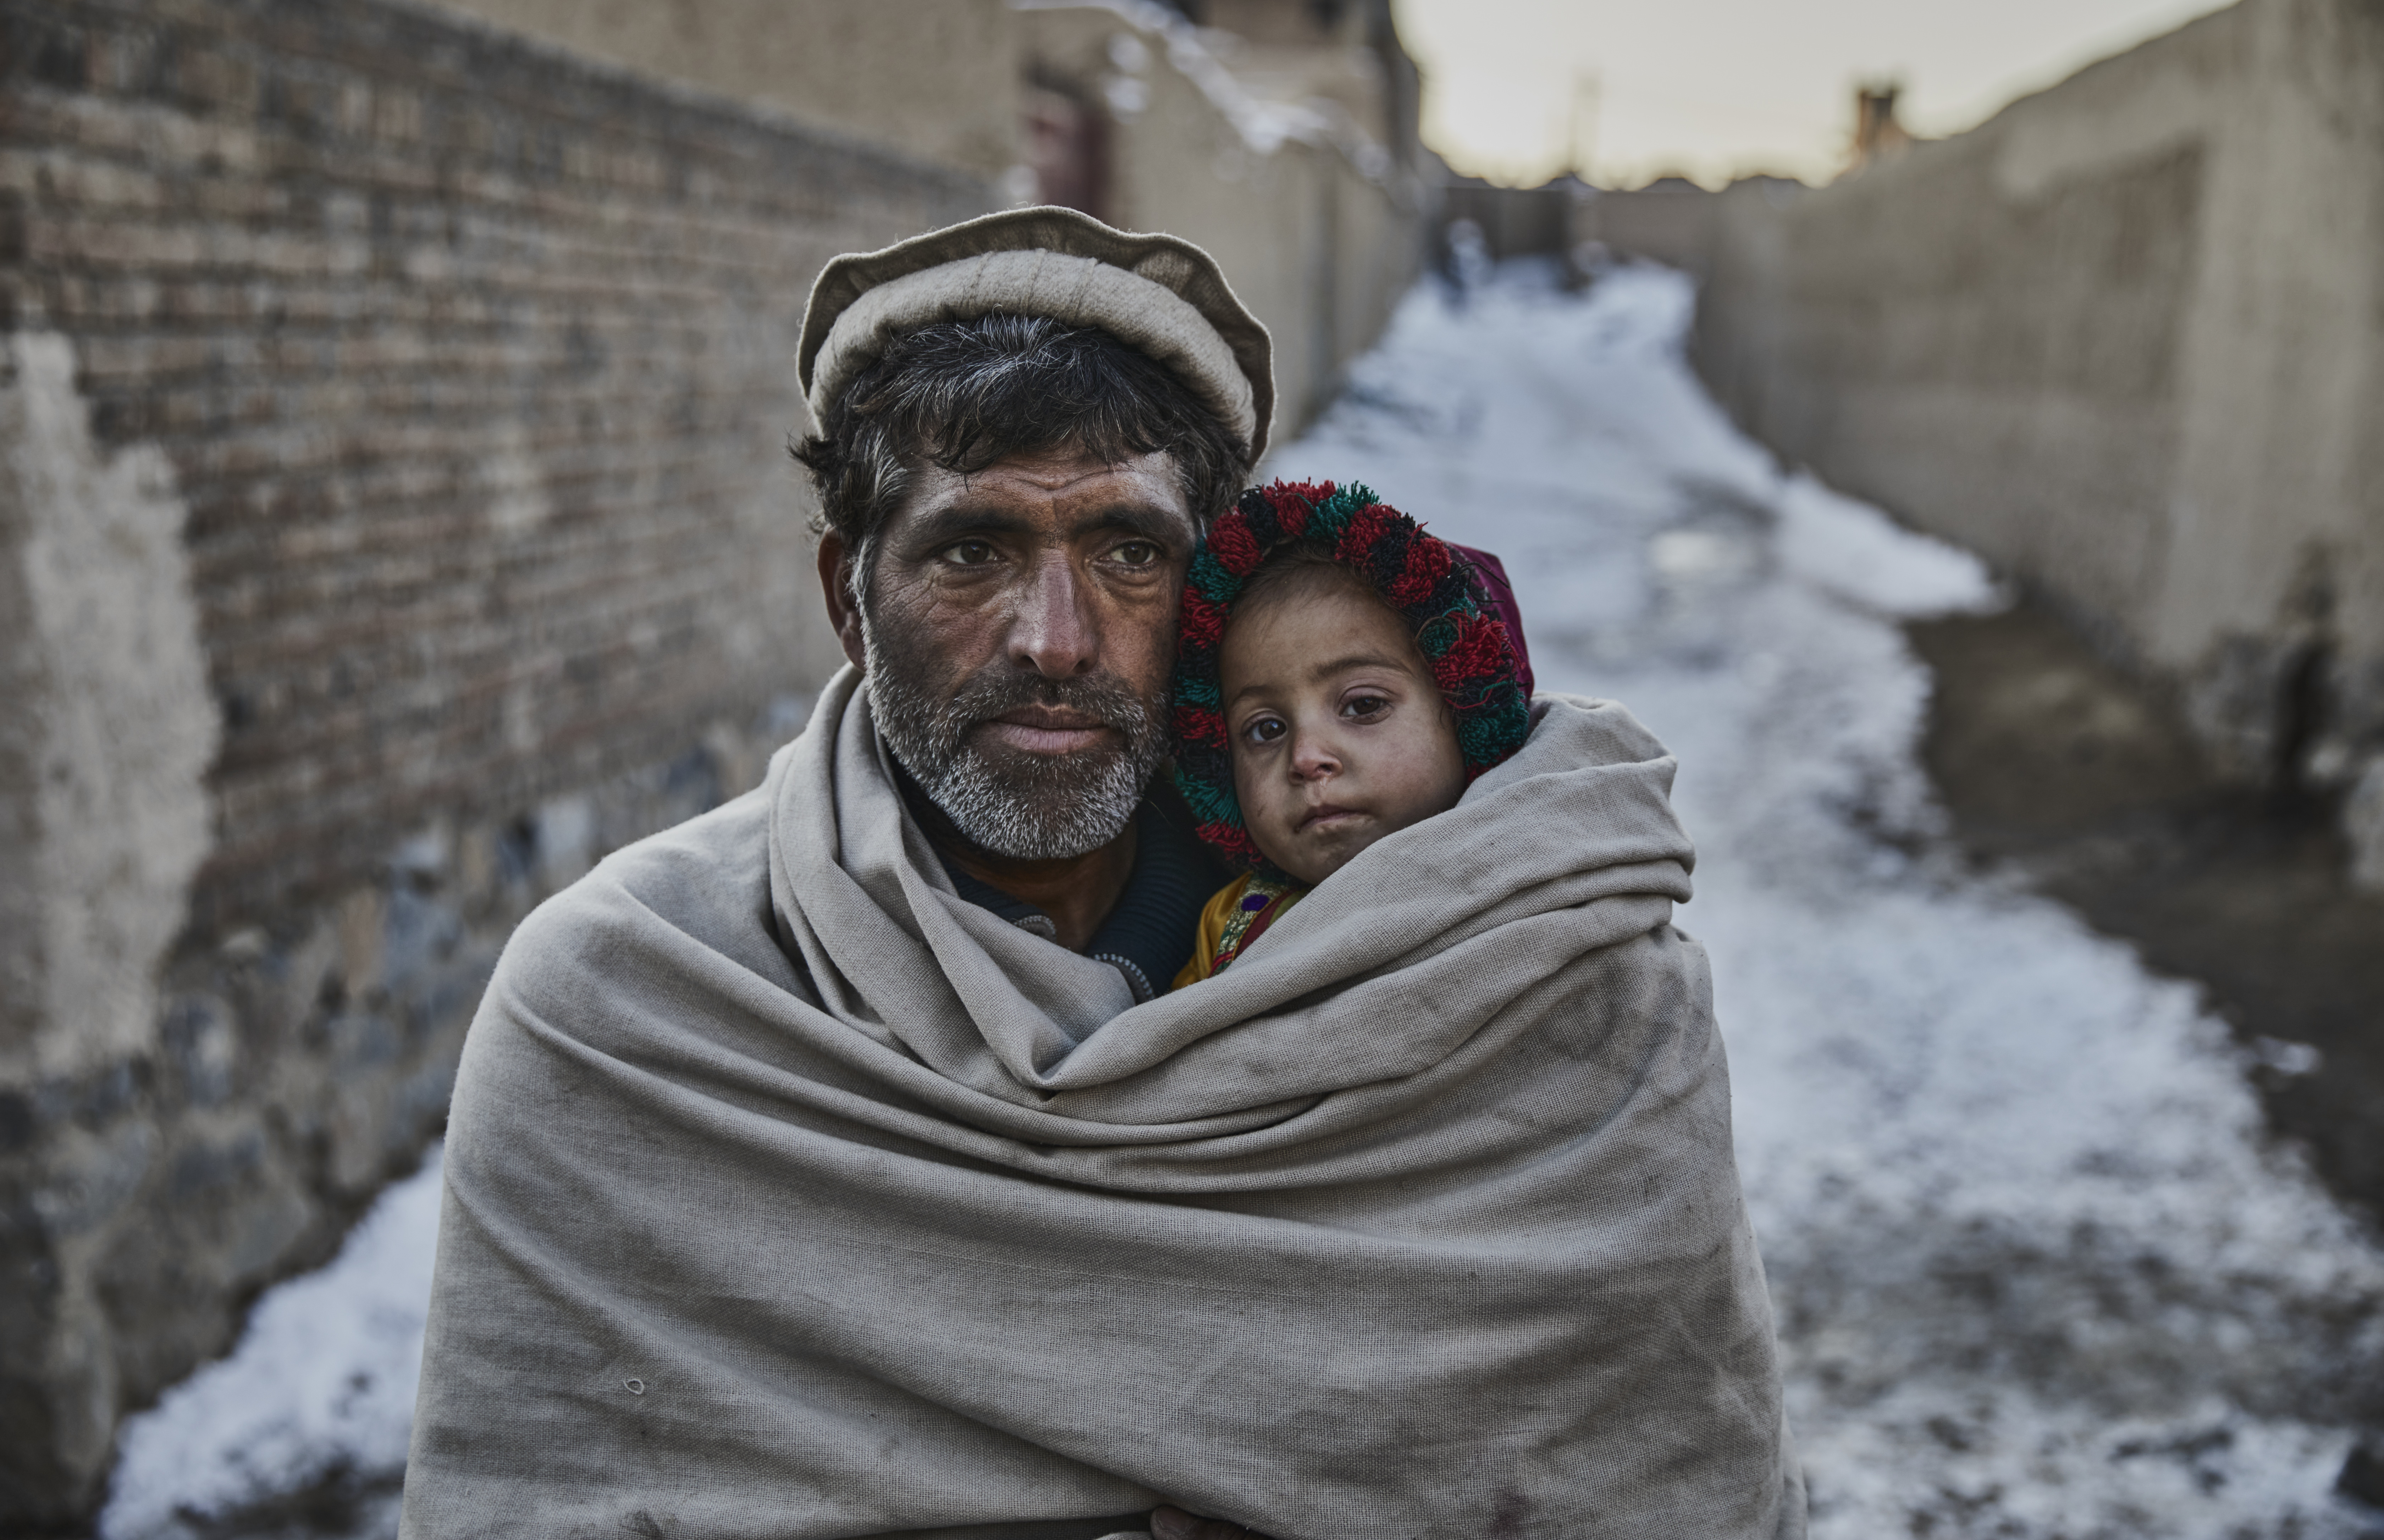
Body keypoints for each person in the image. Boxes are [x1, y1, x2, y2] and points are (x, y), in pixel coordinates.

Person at [398, 207, 1803, 1540]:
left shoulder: (1534, 986)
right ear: (848, 595)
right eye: (972, 549)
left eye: (1129, 550)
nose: (1056, 638)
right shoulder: (632, 1012)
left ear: (1207, 593)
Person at [1170, 482, 1532, 986]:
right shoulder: (1231, 928)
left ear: (1470, 715)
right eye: (1266, 729)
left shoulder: (1542, 881)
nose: (1306, 758)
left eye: (1363, 706)